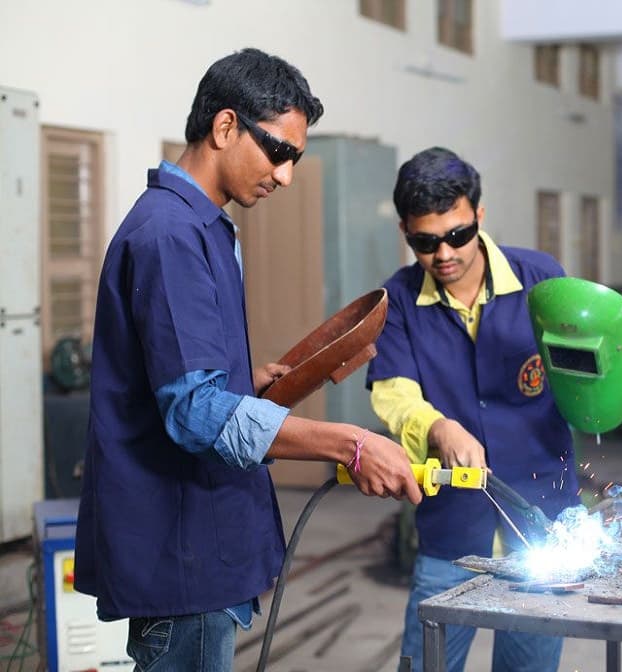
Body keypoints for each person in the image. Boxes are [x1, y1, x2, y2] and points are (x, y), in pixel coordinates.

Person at [74, 48, 422, 672]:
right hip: (180, 553)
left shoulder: (202, 226)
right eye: (279, 152)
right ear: (226, 126)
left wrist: (244, 375)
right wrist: (349, 445)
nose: (285, 175)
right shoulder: (170, 235)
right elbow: (196, 415)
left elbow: (181, 374)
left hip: (201, 542)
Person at [367, 147, 580, 672]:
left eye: (458, 234)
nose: (444, 254)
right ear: (405, 233)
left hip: (540, 524)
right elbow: (393, 391)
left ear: (479, 217)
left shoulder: (540, 279)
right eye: (425, 242)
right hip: (452, 531)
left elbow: (583, 371)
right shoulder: (395, 301)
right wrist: (438, 426)